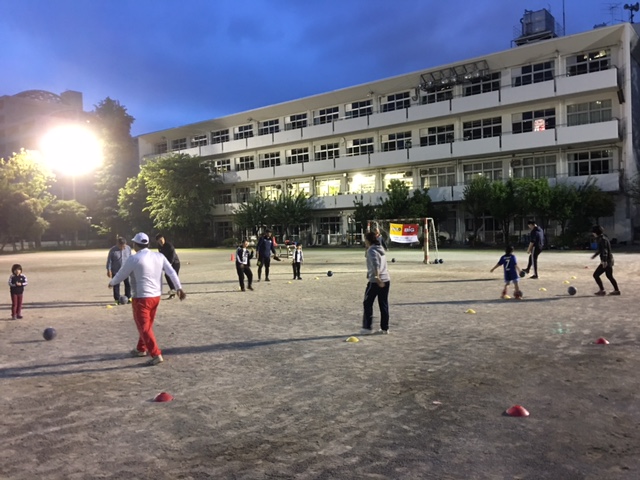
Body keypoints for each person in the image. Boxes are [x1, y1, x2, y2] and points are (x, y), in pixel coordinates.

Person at [109, 232, 186, 366]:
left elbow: (122, 273)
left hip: (141, 298)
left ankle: (156, 354)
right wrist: (179, 287)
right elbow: (171, 271)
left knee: (143, 327)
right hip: (156, 297)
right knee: (147, 324)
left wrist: (113, 282)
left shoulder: (134, 259)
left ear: (135, 245)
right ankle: (141, 348)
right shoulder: (159, 256)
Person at [360, 231, 391, 335]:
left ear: (368, 240)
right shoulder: (381, 249)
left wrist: (377, 278)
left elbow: (376, 264)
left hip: (376, 282)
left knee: (367, 303)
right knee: (383, 304)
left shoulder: (371, 250)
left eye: (365, 239)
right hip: (386, 279)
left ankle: (367, 328)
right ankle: (385, 328)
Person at [591, 225, 620, 296]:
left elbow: (605, 251)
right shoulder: (602, 238)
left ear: (596, 233)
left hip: (607, 261)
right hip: (609, 260)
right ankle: (616, 291)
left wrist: (604, 261)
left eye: (593, 232)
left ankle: (602, 290)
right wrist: (595, 255)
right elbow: (601, 249)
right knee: (609, 276)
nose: (593, 234)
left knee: (596, 275)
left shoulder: (602, 240)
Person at [106, 237, 132, 304]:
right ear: (118, 244)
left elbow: (131, 258)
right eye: (121, 246)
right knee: (116, 285)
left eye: (124, 246)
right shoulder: (113, 250)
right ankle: (117, 299)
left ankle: (129, 297)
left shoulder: (128, 248)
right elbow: (109, 261)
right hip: (116, 270)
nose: (123, 247)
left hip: (126, 270)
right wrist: (109, 270)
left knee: (128, 284)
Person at [155, 233, 181, 298]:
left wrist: (169, 264)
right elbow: (161, 256)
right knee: (167, 276)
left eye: (162, 239)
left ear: (164, 239)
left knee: (172, 276)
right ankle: (173, 291)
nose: (161, 241)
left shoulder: (169, 245)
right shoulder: (159, 247)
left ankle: (175, 291)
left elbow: (173, 256)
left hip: (175, 263)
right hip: (168, 263)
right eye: (159, 240)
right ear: (157, 241)